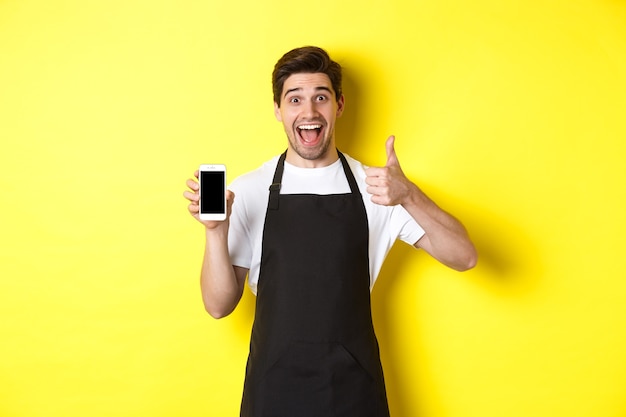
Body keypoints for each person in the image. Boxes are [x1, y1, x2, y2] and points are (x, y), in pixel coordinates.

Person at [183, 46, 477, 417]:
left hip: (354, 392)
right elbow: (218, 306)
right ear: (278, 109)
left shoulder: (379, 190)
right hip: (273, 391)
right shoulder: (249, 190)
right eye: (295, 99)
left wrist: (410, 195)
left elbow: (465, 256)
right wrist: (215, 231)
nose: (309, 112)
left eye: (320, 97)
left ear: (338, 105)